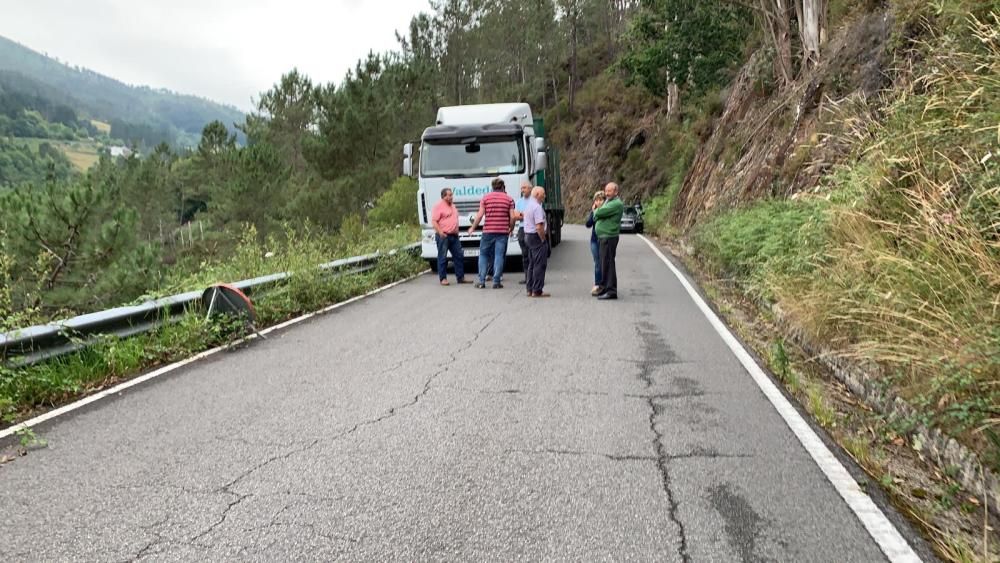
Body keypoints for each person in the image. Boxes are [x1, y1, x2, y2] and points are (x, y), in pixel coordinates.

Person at [467, 177, 515, 289]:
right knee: (499, 256)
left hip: (488, 232)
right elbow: (512, 217)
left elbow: (479, 215)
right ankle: (496, 282)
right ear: (503, 187)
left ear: (492, 187)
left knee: (483, 255)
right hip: (502, 232)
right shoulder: (509, 199)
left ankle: (481, 281)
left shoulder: (485, 198)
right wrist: (510, 228)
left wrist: (472, 228)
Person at [593, 182, 624, 300]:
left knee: (608, 263)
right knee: (604, 263)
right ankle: (605, 287)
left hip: (608, 237)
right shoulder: (608, 202)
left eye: (609, 191)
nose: (606, 193)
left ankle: (611, 291)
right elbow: (597, 215)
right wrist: (597, 212)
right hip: (604, 237)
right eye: (606, 191)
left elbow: (598, 212)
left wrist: (596, 210)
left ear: (616, 192)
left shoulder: (616, 203)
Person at [431, 188, 467, 285]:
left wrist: (457, 231)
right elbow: (434, 221)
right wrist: (440, 232)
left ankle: (460, 277)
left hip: (454, 236)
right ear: (444, 196)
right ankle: (443, 279)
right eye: (449, 195)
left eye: (452, 195)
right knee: (442, 257)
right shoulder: (438, 206)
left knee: (459, 255)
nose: (451, 197)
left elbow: (455, 219)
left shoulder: (453, 206)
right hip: (444, 235)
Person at [523, 186, 549, 298]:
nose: (544, 196)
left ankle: (529, 289)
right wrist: (543, 238)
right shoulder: (537, 207)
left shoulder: (528, 205)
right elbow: (539, 226)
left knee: (532, 264)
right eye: (543, 193)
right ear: (537, 194)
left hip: (527, 235)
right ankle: (537, 290)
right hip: (536, 237)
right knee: (539, 264)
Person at [585, 190, 606, 295]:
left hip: (604, 239)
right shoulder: (594, 211)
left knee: (605, 262)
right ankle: (597, 284)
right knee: (597, 263)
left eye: (601, 200)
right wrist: (593, 213)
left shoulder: (607, 210)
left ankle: (605, 284)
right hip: (594, 240)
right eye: (597, 200)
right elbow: (588, 224)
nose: (599, 202)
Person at [513, 181, 532, 285]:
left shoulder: (535, 201)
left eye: (524, 188)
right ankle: (527, 277)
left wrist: (523, 215)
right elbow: (516, 216)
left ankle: (534, 276)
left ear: (530, 189)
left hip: (532, 230)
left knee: (532, 254)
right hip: (522, 230)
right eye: (521, 188)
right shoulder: (519, 202)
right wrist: (524, 214)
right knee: (525, 254)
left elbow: (533, 215)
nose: (522, 190)